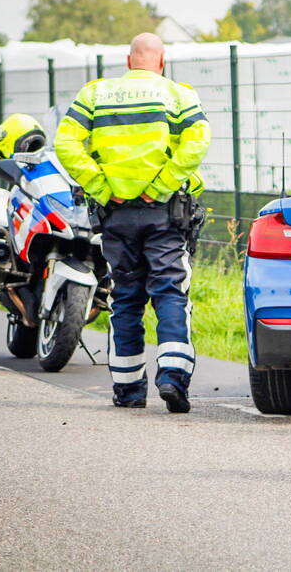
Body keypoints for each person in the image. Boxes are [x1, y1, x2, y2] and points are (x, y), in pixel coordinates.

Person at [55, 33, 211, 413]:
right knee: (170, 292)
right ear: (162, 61)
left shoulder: (94, 95)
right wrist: (160, 186)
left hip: (116, 215)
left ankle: (128, 391)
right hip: (164, 212)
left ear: (129, 61)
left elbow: (66, 143)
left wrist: (103, 187)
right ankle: (172, 377)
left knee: (125, 297)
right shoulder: (179, 95)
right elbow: (198, 140)